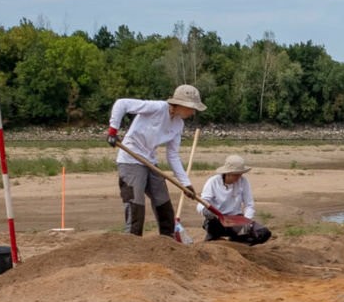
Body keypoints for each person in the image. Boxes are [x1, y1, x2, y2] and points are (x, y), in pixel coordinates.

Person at [107, 84, 203, 237]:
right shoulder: (157, 107)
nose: (192, 112)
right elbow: (121, 104)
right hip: (131, 159)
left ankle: (168, 242)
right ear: (180, 104)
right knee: (136, 205)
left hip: (150, 161)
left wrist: (185, 183)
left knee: (163, 202)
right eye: (191, 108)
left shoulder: (179, 124)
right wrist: (113, 130)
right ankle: (132, 242)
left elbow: (172, 155)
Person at [199, 154, 272, 245]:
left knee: (263, 233)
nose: (240, 176)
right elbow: (202, 203)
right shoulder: (213, 182)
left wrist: (246, 221)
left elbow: (249, 204)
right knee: (212, 223)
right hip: (217, 220)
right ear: (228, 173)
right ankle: (213, 238)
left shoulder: (244, 181)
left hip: (236, 220)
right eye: (237, 174)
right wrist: (207, 212)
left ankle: (237, 242)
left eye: (241, 173)